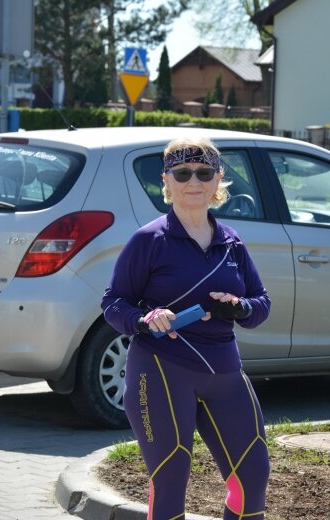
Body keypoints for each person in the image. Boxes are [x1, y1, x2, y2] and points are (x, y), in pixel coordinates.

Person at [101, 137, 271, 520]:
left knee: (253, 475)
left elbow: (261, 304)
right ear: (167, 181)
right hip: (160, 370)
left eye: (204, 172)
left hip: (224, 370)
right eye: (182, 173)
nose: (193, 181)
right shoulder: (149, 240)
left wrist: (238, 306)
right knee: (171, 478)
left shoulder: (232, 242)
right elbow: (113, 303)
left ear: (218, 180)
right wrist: (145, 319)